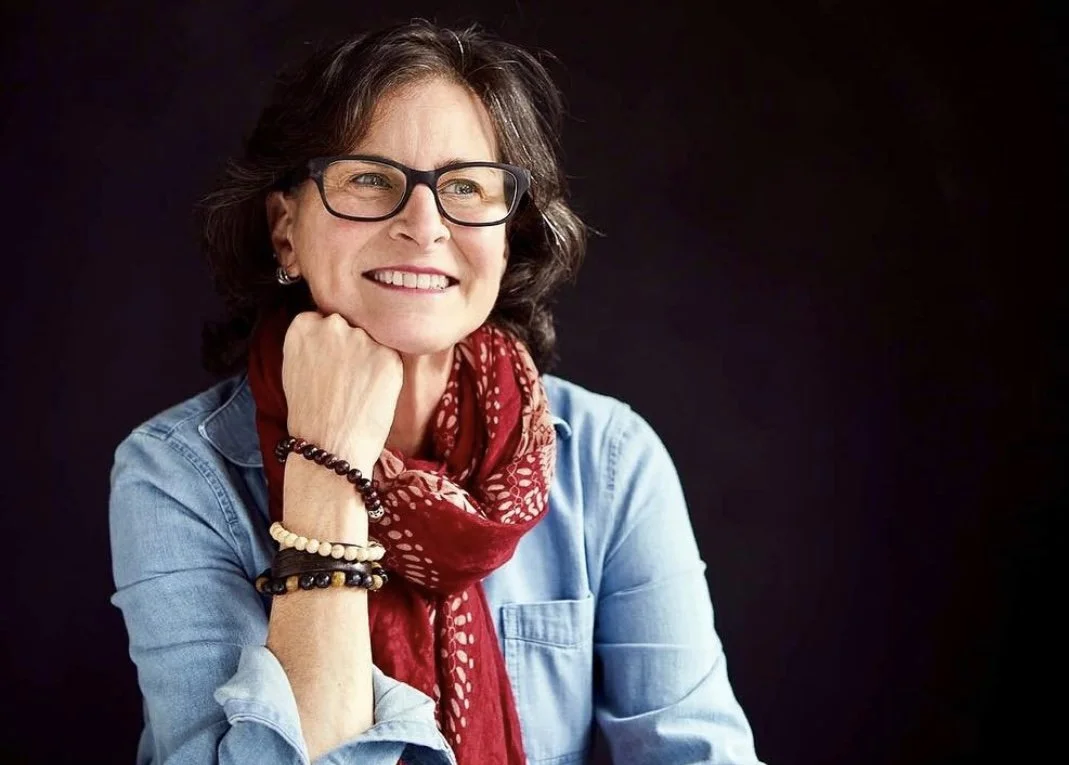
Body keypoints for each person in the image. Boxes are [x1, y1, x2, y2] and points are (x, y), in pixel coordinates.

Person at [109, 19, 762, 765]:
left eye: (466, 187)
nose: (424, 225)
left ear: (508, 232)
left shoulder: (608, 460)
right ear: (286, 228)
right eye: (369, 178)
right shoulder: (177, 474)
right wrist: (325, 471)